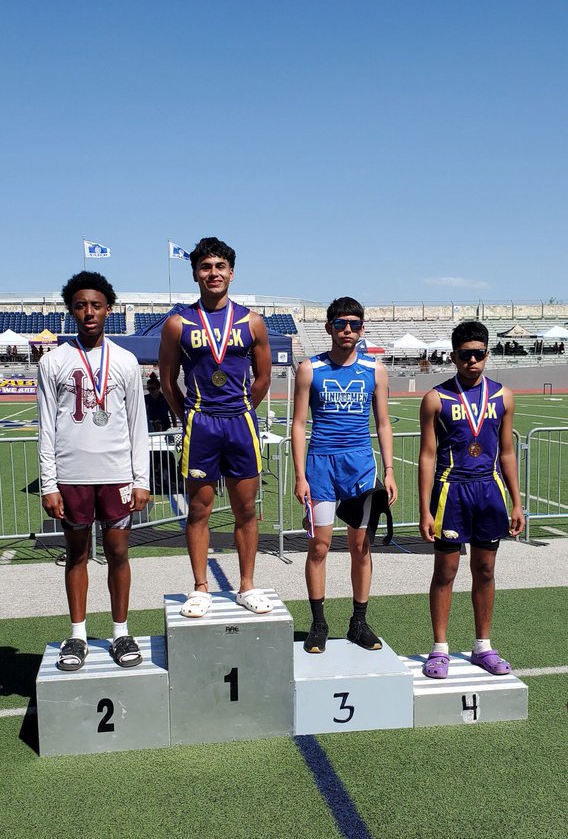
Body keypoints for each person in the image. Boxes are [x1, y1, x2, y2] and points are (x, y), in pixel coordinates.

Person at [37, 271, 150, 671]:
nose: (89, 312)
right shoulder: (54, 361)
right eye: (81, 305)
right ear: (71, 310)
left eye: (96, 305)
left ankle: (120, 632)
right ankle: (78, 634)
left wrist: (142, 479)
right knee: (77, 554)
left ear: (109, 310)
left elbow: (138, 424)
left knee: (119, 553)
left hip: (117, 474)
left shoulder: (125, 360)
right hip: (72, 477)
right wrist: (49, 484)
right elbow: (46, 426)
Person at [159, 236, 273, 617]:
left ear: (232, 273)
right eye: (206, 267)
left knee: (246, 510)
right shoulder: (178, 323)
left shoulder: (251, 321)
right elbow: (167, 380)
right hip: (201, 423)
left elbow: (263, 378)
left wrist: (241, 410)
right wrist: (187, 416)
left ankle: (246, 586)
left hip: (240, 423)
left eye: (219, 267)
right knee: (199, 509)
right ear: (195, 274)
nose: (213, 273)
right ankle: (200, 588)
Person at [418, 319, 525, 678]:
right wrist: (424, 509)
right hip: (451, 491)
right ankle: (439, 649)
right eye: (465, 355)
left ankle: (483, 646)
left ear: (487, 354)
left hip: (488, 491)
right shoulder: (436, 398)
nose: (472, 362)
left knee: (485, 569)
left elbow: (507, 452)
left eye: (478, 354)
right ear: (453, 356)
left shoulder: (502, 396)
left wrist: (517, 501)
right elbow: (427, 456)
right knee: (445, 571)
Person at [291, 297, 397, 653]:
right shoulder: (309, 368)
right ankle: (318, 622)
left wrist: (390, 471)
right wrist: (299, 475)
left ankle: (358, 622)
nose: (347, 330)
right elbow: (299, 423)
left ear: (362, 328)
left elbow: (382, 422)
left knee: (359, 546)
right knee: (319, 546)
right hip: (320, 467)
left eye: (353, 324)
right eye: (340, 324)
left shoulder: (375, 369)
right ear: (329, 328)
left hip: (360, 469)